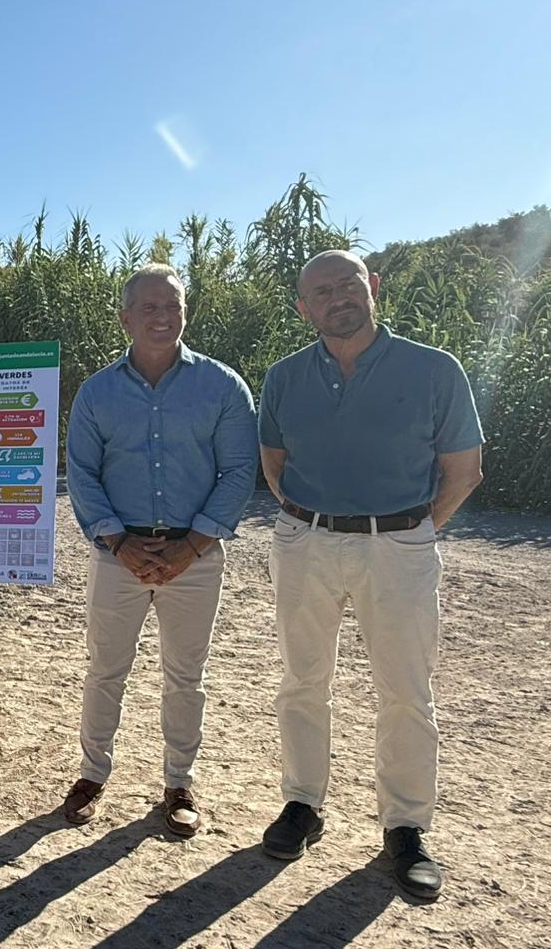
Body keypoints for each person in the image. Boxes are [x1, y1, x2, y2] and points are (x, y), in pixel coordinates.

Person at [259, 249, 483, 900]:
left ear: (373, 286)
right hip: (306, 540)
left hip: (400, 544)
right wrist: (309, 520)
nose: (337, 299)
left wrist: (413, 531)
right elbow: (273, 464)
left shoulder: (434, 369)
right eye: (321, 293)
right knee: (302, 680)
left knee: (407, 692)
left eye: (348, 284)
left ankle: (406, 830)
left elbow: (463, 471)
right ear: (305, 309)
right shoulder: (285, 377)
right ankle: (302, 805)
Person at [62, 264, 258, 836]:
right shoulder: (98, 392)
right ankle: (92, 775)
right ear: (125, 317)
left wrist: (192, 544)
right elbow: (82, 474)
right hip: (116, 556)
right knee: (105, 672)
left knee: (186, 676)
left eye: (171, 305)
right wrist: (118, 543)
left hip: (194, 559)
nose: (161, 315)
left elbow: (239, 471)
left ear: (184, 312)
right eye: (148, 306)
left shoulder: (223, 386)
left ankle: (179, 784)